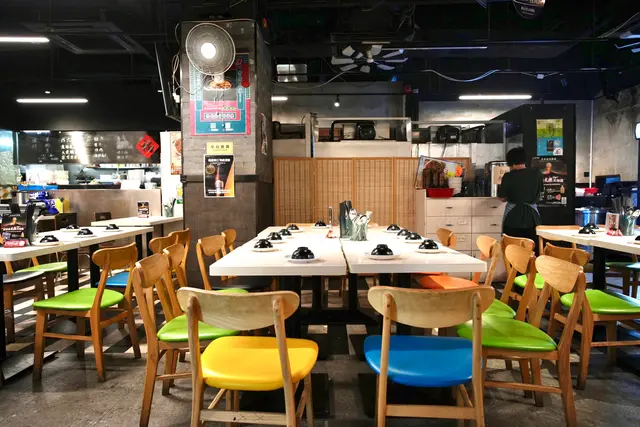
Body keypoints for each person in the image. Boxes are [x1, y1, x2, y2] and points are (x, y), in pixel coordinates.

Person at [498, 147, 543, 253]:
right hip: (532, 216)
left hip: (513, 217)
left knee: (512, 249)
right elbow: (540, 191)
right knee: (533, 249)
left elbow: (502, 197)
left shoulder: (508, 176)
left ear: (512, 163)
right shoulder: (537, 173)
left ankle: (514, 265)